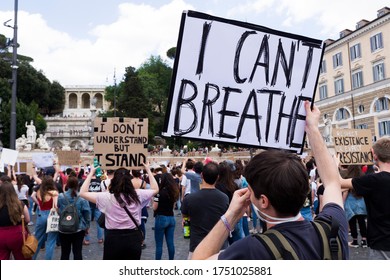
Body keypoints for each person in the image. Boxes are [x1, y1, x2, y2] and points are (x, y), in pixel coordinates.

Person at [192, 101, 348, 260]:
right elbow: (332, 182)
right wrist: (312, 128)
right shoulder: (332, 228)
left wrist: (231, 215)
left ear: (264, 201)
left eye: (251, 191)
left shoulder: (252, 250)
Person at [80, 162, 158, 260]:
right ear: (130, 181)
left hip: (113, 238)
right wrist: (148, 170)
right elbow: (155, 189)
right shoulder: (138, 194)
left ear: (113, 181)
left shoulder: (107, 197)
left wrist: (91, 173)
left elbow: (82, 192)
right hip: (133, 237)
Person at [339, 136, 390, 259]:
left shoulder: (373, 180)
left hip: (382, 245)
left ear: (374, 155)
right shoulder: (373, 179)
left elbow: (338, 182)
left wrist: (336, 164)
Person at [181, 161, 229, 259]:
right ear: (217, 177)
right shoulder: (224, 198)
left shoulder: (189, 199)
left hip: (197, 246)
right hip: (219, 246)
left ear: (202, 175)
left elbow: (185, 218)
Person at [57, 176, 91, 260]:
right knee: (77, 252)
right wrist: (87, 226)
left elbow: (58, 208)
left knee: (64, 253)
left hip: (63, 228)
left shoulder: (61, 196)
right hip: (78, 228)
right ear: (78, 185)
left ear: (67, 184)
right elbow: (87, 213)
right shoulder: (82, 197)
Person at [31, 169, 59, 260]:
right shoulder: (54, 192)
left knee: (37, 240)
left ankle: (32, 258)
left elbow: (32, 196)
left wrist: (39, 204)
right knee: (51, 241)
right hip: (51, 215)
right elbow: (55, 206)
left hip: (41, 214)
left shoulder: (39, 191)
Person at [0, 182, 31, 260]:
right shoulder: (20, 204)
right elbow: (27, 219)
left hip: (1, 234)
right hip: (18, 234)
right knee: (22, 258)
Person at [153, 173, 180, 260]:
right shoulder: (174, 192)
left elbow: (154, 207)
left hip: (161, 217)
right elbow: (173, 206)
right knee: (170, 243)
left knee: (159, 245)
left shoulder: (159, 193)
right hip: (171, 218)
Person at [340, 165, 367, 248]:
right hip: (361, 202)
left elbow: (346, 191)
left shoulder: (348, 178)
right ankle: (364, 240)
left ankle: (355, 241)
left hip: (350, 203)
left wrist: (342, 202)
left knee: (352, 222)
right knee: (362, 222)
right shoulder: (363, 177)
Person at [83, 170, 103, 245]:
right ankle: (100, 238)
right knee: (99, 222)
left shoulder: (87, 181)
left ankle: (87, 239)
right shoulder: (100, 181)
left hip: (88, 203)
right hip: (97, 202)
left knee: (87, 222)